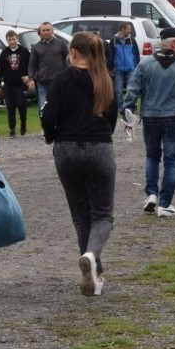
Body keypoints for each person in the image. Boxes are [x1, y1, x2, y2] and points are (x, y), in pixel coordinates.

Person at [41, 32, 117, 297]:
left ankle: (93, 271)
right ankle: (92, 256)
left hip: (67, 148)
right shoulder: (106, 79)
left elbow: (48, 114)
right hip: (99, 146)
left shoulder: (61, 79)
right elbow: (113, 116)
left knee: (81, 215)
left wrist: (51, 135)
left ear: (72, 53)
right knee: (103, 215)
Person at [122, 28, 175, 217]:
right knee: (171, 162)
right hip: (174, 117)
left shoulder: (145, 64)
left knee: (152, 157)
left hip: (150, 116)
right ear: (174, 43)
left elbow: (132, 89)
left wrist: (128, 111)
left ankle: (151, 194)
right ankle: (165, 203)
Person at [27, 22, 68, 118]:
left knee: (59, 104)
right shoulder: (36, 47)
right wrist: (31, 78)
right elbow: (32, 64)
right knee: (43, 106)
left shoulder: (61, 44)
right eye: (43, 30)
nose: (46, 32)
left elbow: (68, 60)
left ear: (52, 30)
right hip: (42, 82)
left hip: (59, 81)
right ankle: (45, 127)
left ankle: (60, 126)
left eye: (48, 30)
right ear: (40, 32)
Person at [0, 29, 31, 137]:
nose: (12, 42)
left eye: (13, 39)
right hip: (8, 85)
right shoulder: (4, 52)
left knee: (22, 105)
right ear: (7, 40)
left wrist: (29, 77)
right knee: (10, 107)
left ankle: (23, 123)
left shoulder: (24, 51)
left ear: (17, 39)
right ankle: (12, 129)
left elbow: (30, 66)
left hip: (21, 85)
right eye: (9, 40)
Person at [112, 22, 140, 114]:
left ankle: (130, 107)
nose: (130, 30)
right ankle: (120, 108)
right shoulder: (114, 40)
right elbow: (111, 55)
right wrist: (111, 67)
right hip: (118, 69)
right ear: (122, 29)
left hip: (130, 68)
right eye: (128, 28)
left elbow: (136, 54)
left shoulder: (132, 39)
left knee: (131, 89)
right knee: (118, 90)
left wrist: (137, 67)